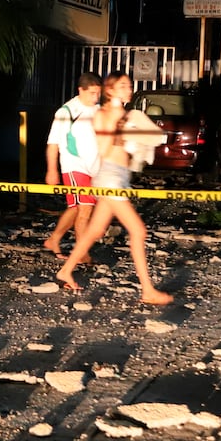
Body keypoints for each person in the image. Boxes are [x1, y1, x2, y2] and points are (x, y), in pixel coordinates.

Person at [55, 72, 173, 306]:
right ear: (110, 90)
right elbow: (105, 149)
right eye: (123, 86)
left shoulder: (129, 114)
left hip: (119, 176)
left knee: (95, 231)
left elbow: (153, 139)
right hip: (109, 178)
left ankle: (66, 270)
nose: (129, 90)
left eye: (129, 86)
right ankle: (148, 290)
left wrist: (137, 132)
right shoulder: (103, 114)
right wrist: (124, 129)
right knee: (138, 231)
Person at [43, 72, 102, 259]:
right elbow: (53, 143)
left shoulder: (98, 110)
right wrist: (52, 170)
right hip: (74, 165)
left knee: (77, 208)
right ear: (81, 90)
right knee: (84, 209)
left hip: (94, 167)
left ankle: (54, 239)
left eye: (98, 93)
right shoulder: (66, 112)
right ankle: (82, 254)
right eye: (92, 93)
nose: (96, 97)